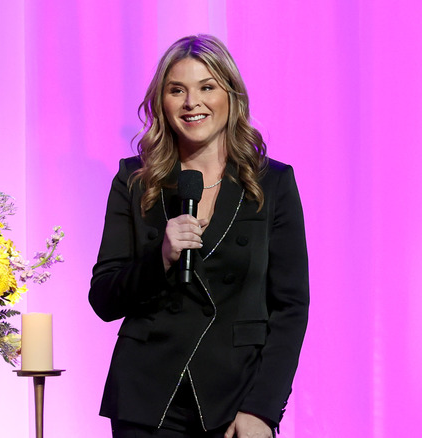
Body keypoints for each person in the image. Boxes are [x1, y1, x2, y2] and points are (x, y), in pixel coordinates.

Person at [89, 34, 309, 438]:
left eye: (207, 87)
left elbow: (291, 307)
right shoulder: (135, 180)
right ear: (162, 102)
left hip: (234, 399)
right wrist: (161, 257)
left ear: (231, 96)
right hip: (148, 398)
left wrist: (262, 408)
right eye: (178, 90)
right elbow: (103, 298)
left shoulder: (271, 182)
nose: (193, 103)